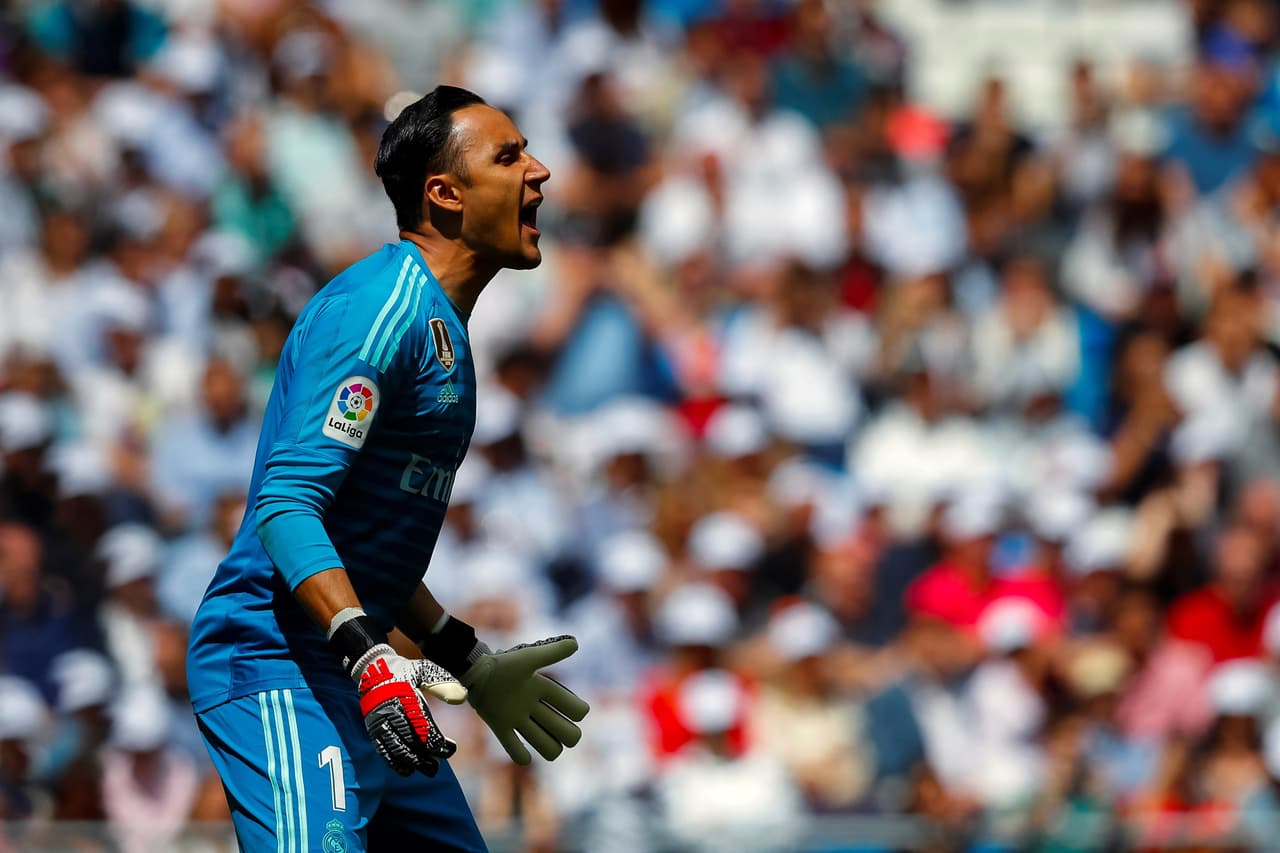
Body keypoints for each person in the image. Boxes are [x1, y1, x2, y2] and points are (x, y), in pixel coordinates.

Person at [186, 85, 589, 853]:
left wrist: (465, 656)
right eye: (509, 156)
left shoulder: (446, 335)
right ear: (445, 193)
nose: (539, 170)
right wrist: (369, 655)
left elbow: (368, 545)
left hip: (359, 666)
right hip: (278, 657)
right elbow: (287, 508)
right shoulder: (381, 310)